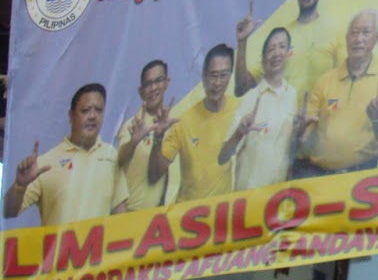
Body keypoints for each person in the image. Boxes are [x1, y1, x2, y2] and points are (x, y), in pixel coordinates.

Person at [4, 84, 130, 225]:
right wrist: (19, 187)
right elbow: (8, 212)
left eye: (99, 110)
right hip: (60, 241)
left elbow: (121, 215)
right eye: (86, 110)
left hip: (100, 240)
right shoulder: (45, 163)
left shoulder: (111, 156)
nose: (93, 116)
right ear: (71, 116)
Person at [297, 10, 378, 175]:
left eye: (366, 32)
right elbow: (305, 132)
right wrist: (300, 131)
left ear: (377, 38)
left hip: (362, 176)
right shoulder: (325, 80)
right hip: (319, 175)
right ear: (346, 38)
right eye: (354, 33)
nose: (358, 39)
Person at [235, 0, 344, 98]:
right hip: (284, 112)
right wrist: (242, 42)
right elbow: (242, 88)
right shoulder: (280, 38)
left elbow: (344, 86)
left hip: (321, 112)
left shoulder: (336, 32)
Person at [150, 45, 236, 203]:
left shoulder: (239, 110)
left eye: (223, 75)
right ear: (203, 76)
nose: (217, 82)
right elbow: (154, 174)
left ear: (230, 76)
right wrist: (158, 138)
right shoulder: (183, 121)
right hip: (188, 213)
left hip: (222, 212)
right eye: (213, 75)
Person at [219, 27, 299, 190]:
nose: (276, 53)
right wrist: (239, 133)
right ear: (263, 59)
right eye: (271, 49)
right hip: (249, 197)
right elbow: (223, 157)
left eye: (282, 46)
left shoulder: (293, 95)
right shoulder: (251, 98)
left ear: (289, 53)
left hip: (278, 197)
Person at [115, 59, 172, 212]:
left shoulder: (173, 123)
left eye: (158, 81)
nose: (154, 88)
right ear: (141, 91)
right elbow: (120, 161)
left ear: (167, 83)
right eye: (148, 84)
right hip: (131, 214)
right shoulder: (132, 125)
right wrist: (133, 143)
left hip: (163, 215)